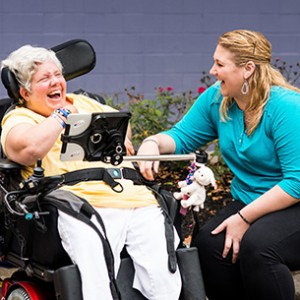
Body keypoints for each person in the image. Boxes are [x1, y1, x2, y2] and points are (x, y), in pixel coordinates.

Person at [0, 45, 182, 300]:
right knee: (97, 277)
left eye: (57, 75)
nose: (56, 82)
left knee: (164, 273)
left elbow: (122, 125)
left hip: (134, 198)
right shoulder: (20, 117)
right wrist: (60, 116)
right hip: (78, 204)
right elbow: (27, 147)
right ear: (24, 92)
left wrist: (121, 137)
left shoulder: (85, 102)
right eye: (44, 79)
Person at [137, 29, 300, 300]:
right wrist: (153, 143)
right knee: (210, 246)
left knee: (259, 249)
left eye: (220, 64)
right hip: (251, 199)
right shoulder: (219, 99)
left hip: (292, 202)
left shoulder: (287, 108)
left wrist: (244, 218)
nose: (213, 71)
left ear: (248, 69)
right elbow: (182, 136)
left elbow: (296, 182)